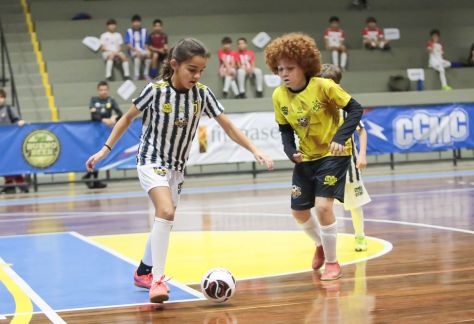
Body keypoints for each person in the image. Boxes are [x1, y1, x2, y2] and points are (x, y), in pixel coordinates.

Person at [86, 38, 273, 303]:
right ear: (174, 64)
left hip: (176, 168)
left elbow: (228, 126)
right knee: (165, 211)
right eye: (191, 69)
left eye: (201, 70)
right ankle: (157, 282)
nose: (196, 75)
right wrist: (105, 150)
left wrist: (255, 149)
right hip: (150, 160)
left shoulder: (203, 94)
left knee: (166, 220)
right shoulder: (155, 91)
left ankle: (143, 271)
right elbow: (127, 118)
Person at [264, 33, 363, 280]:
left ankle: (332, 262)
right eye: (279, 69)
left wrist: (340, 138)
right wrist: (289, 151)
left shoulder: (324, 86)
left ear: (305, 66)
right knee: (298, 212)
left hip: (333, 155)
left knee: (322, 207)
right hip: (306, 158)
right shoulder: (278, 95)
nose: (284, 73)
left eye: (289, 68)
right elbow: (285, 129)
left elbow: (355, 109)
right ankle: (321, 243)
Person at [317, 64, 371, 252]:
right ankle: (326, 241)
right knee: (324, 204)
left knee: (355, 204)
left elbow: (362, 131)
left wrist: (362, 155)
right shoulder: (317, 106)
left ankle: (360, 236)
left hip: (348, 163)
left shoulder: (346, 106)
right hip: (325, 163)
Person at [83, 81, 123, 189]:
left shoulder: (111, 100)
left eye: (105, 89)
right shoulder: (94, 100)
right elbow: (94, 114)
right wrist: (103, 119)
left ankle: (91, 178)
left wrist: (113, 118)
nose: (103, 91)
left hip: (106, 132)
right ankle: (91, 177)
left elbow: (120, 113)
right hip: (95, 131)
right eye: (101, 90)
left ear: (108, 90)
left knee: (101, 154)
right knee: (94, 153)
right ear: (98, 90)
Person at [0, 88, 28, 194]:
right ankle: (9, 184)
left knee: (12, 163)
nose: (0, 99)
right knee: (2, 163)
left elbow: (17, 120)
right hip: (0, 144)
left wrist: (20, 122)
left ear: (4, 98)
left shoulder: (8, 109)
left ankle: (21, 183)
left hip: (10, 143)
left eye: (1, 97)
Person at [125, 14, 151, 80]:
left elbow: (146, 44)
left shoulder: (144, 31)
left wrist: (147, 51)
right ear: (132, 23)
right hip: (133, 50)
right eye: (135, 22)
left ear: (140, 22)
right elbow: (128, 44)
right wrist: (135, 50)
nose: (136, 23)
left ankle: (146, 74)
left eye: (138, 22)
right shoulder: (129, 31)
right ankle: (137, 75)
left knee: (149, 54)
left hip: (142, 49)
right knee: (137, 55)